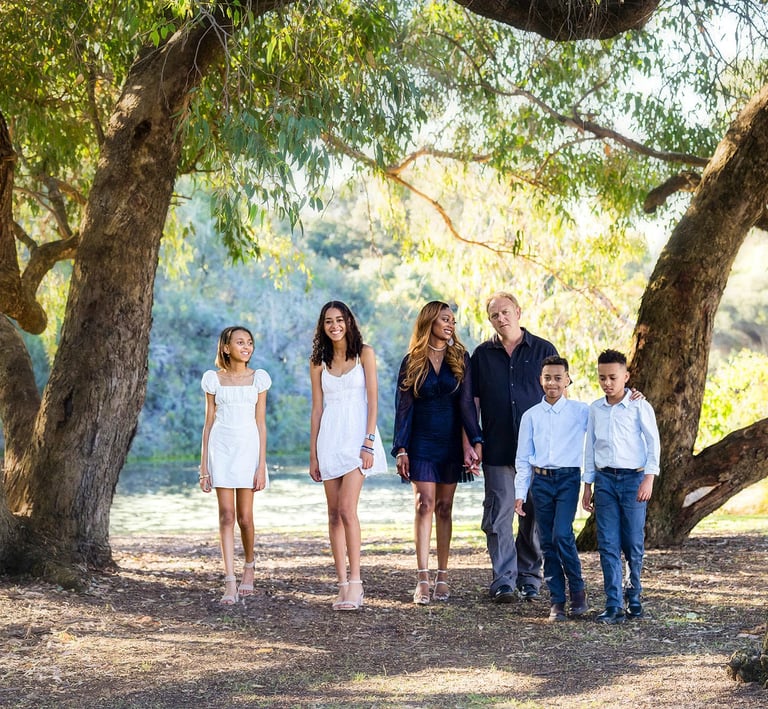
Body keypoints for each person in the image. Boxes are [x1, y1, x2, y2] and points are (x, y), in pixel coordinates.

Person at [393, 301, 483, 605]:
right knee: (424, 504)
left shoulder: (460, 357)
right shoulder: (411, 361)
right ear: (429, 321)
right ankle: (422, 579)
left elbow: (467, 404)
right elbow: (403, 407)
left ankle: (442, 576)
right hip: (420, 441)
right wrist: (401, 448)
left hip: (450, 442)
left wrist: (475, 440)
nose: (450, 325)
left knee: (444, 507)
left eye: (453, 321)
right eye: (445, 319)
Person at [470, 292, 557, 603]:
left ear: (518, 312)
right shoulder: (481, 355)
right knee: (498, 515)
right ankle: (504, 581)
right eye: (495, 315)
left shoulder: (544, 350)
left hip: (538, 451)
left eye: (506, 312)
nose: (501, 318)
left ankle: (530, 578)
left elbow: (557, 396)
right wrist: (474, 439)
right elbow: (473, 402)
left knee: (534, 515)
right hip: (497, 448)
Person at [309, 301, 387, 611]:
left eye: (340, 320)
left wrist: (368, 442)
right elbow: (317, 409)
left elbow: (373, 400)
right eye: (329, 321)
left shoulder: (364, 353)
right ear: (323, 326)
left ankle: (356, 582)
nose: (335, 326)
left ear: (349, 322)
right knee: (333, 514)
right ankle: (341, 584)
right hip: (329, 438)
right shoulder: (318, 362)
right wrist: (313, 455)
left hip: (357, 438)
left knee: (346, 509)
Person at [582, 349, 661, 625]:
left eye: (613, 377)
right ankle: (613, 604)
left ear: (626, 377)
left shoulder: (640, 406)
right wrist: (588, 484)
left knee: (633, 541)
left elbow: (653, 443)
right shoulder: (595, 409)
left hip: (633, 480)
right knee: (607, 542)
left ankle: (634, 594)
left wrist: (649, 478)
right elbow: (590, 447)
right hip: (605, 480)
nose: (607, 383)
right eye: (602, 377)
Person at [199, 325, 271, 605]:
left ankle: (249, 566)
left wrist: (261, 465)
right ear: (226, 348)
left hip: (248, 450)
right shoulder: (213, 379)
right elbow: (208, 423)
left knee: (245, 518)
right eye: (240, 342)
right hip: (221, 449)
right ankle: (229, 580)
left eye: (249, 342)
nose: (246, 347)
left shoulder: (258, 379)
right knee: (226, 516)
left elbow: (261, 424)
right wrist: (204, 467)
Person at [514, 355, 590, 621]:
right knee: (547, 541)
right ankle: (557, 600)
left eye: (558, 378)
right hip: (541, 482)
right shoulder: (531, 416)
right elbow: (523, 458)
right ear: (540, 380)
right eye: (547, 378)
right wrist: (520, 494)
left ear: (567, 380)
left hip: (568, 479)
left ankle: (578, 591)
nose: (552, 383)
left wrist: (632, 396)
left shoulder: (581, 411)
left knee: (561, 535)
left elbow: (607, 415)